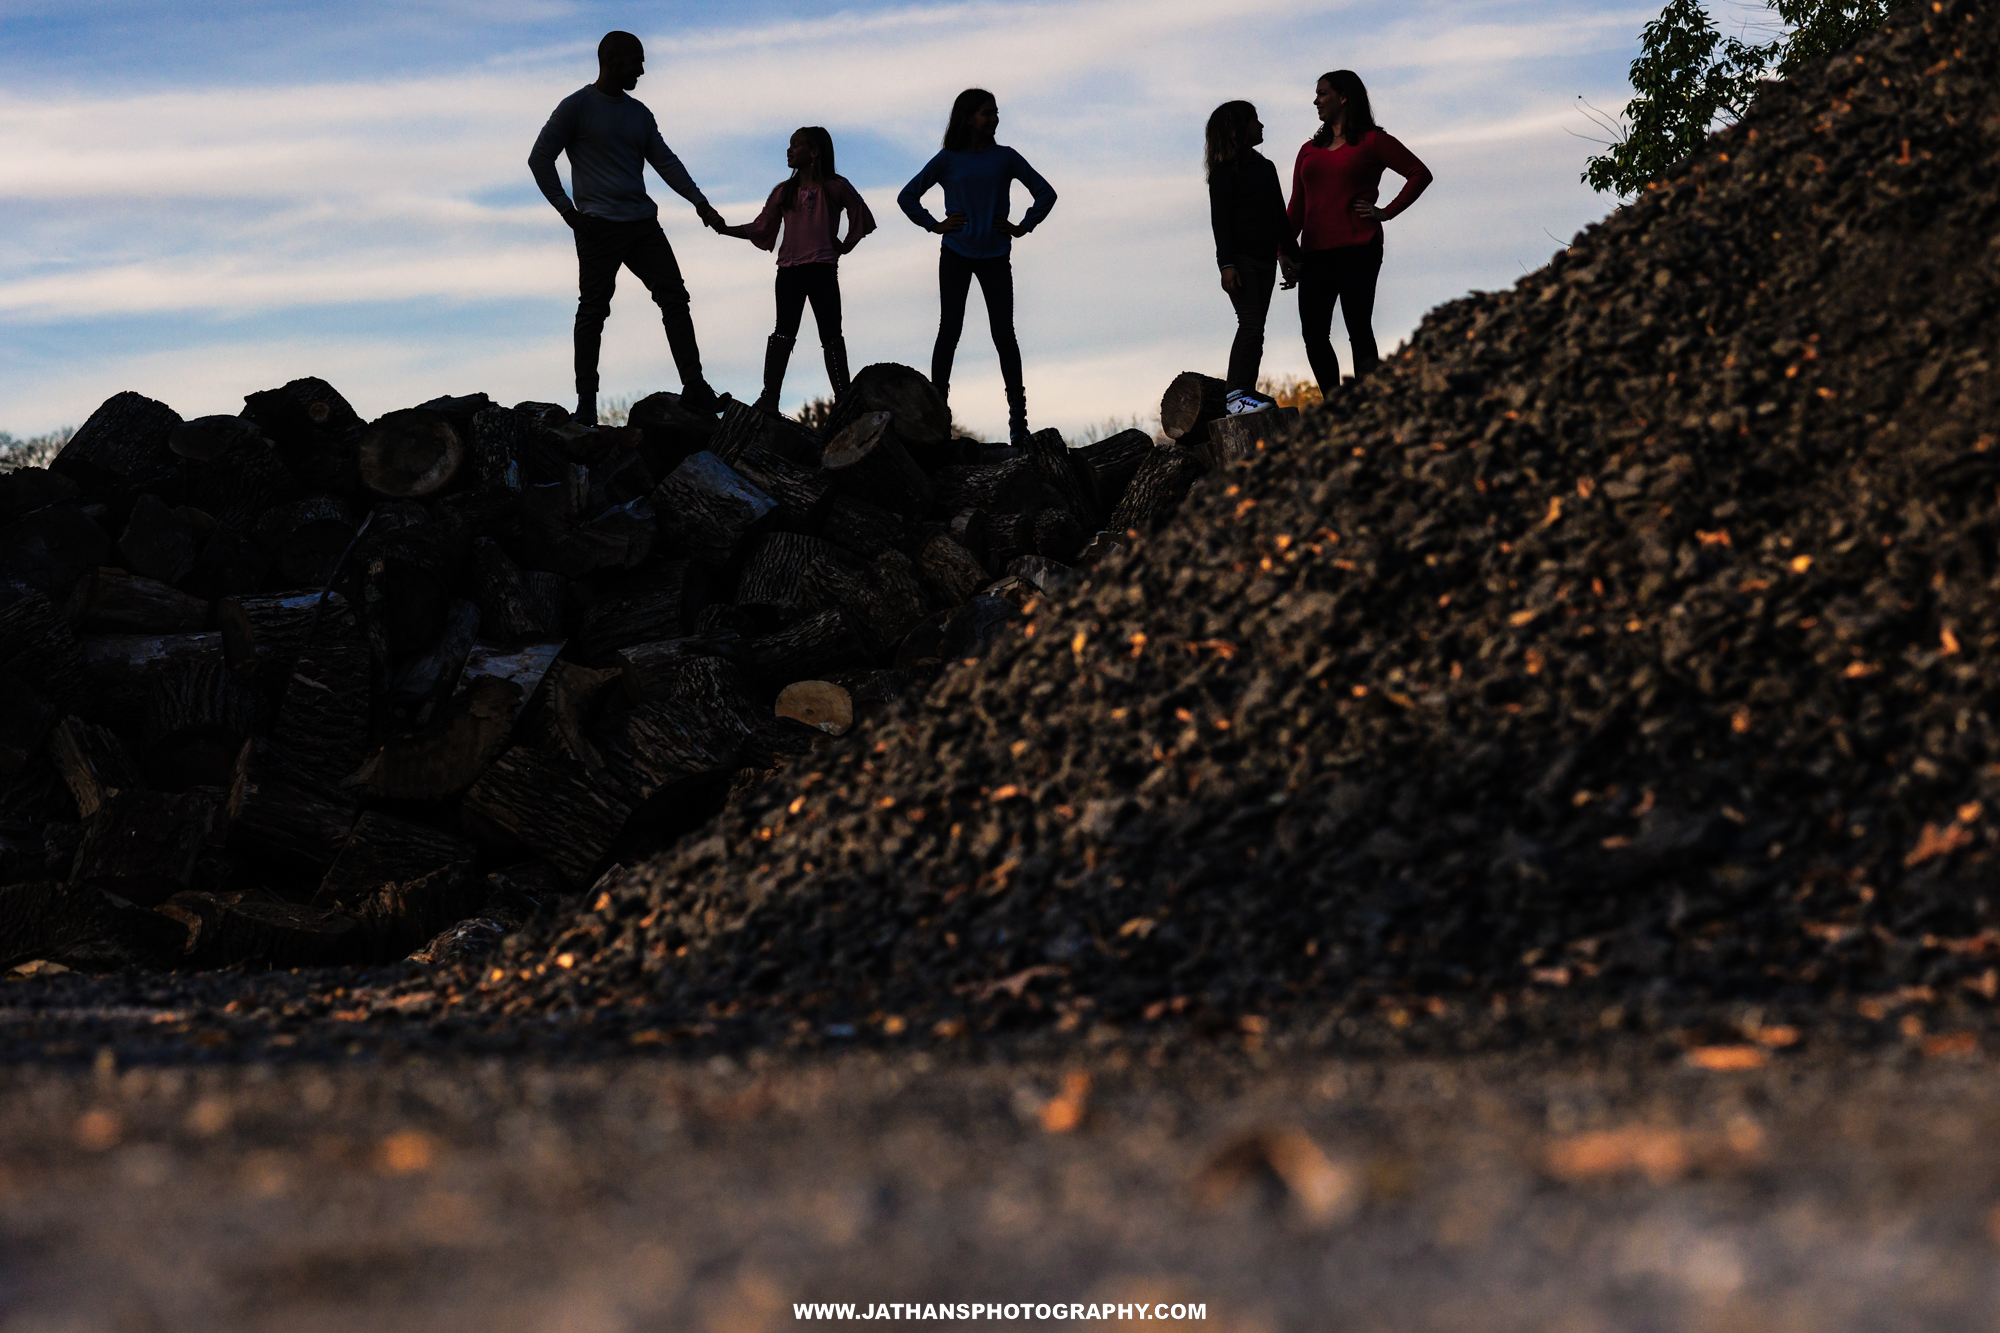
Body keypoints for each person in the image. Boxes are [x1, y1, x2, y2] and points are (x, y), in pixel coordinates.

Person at [528, 30, 727, 424]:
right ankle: (587, 404)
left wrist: (699, 202)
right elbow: (539, 159)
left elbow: (666, 162)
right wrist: (568, 212)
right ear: (613, 60)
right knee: (593, 311)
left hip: (642, 225)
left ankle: (695, 386)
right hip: (597, 228)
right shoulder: (577, 107)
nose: (641, 69)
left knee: (674, 297)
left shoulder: (639, 114)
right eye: (636, 61)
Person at [897, 88, 1057, 444]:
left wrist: (1023, 225)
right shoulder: (948, 159)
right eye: (988, 113)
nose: (995, 118)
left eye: (996, 112)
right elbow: (907, 196)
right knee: (949, 331)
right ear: (968, 117)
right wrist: (934, 224)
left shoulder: (1006, 158)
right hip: (956, 252)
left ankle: (1018, 423)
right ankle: (938, 416)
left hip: (996, 256)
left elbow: (1046, 193)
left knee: (1004, 335)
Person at [1285, 70, 1432, 391]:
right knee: (1313, 334)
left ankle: (1367, 405)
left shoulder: (1373, 141)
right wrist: (1284, 251)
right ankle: (1335, 406)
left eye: (1322, 93)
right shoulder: (1308, 150)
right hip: (1314, 255)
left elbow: (1419, 173)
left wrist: (1386, 212)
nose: (1316, 100)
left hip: (1358, 247)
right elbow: (1296, 206)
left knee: (1359, 328)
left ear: (1344, 96)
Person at [716, 127, 876, 414]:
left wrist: (848, 244)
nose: (789, 150)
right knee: (783, 333)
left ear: (814, 152)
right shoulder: (783, 191)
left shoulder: (835, 186)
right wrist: (725, 229)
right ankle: (770, 398)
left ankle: (844, 401)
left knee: (831, 335)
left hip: (823, 271)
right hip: (789, 272)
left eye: (796, 145)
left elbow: (859, 212)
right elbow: (762, 226)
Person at [1205, 100, 1301, 414]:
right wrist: (1226, 264)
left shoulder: (1265, 168)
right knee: (1249, 324)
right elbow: (1220, 220)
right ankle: (1235, 395)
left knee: (1257, 328)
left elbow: (1278, 215)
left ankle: (1246, 392)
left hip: (1265, 260)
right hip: (1241, 260)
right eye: (1254, 120)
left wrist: (1290, 254)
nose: (1261, 126)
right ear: (1237, 128)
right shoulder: (1222, 172)